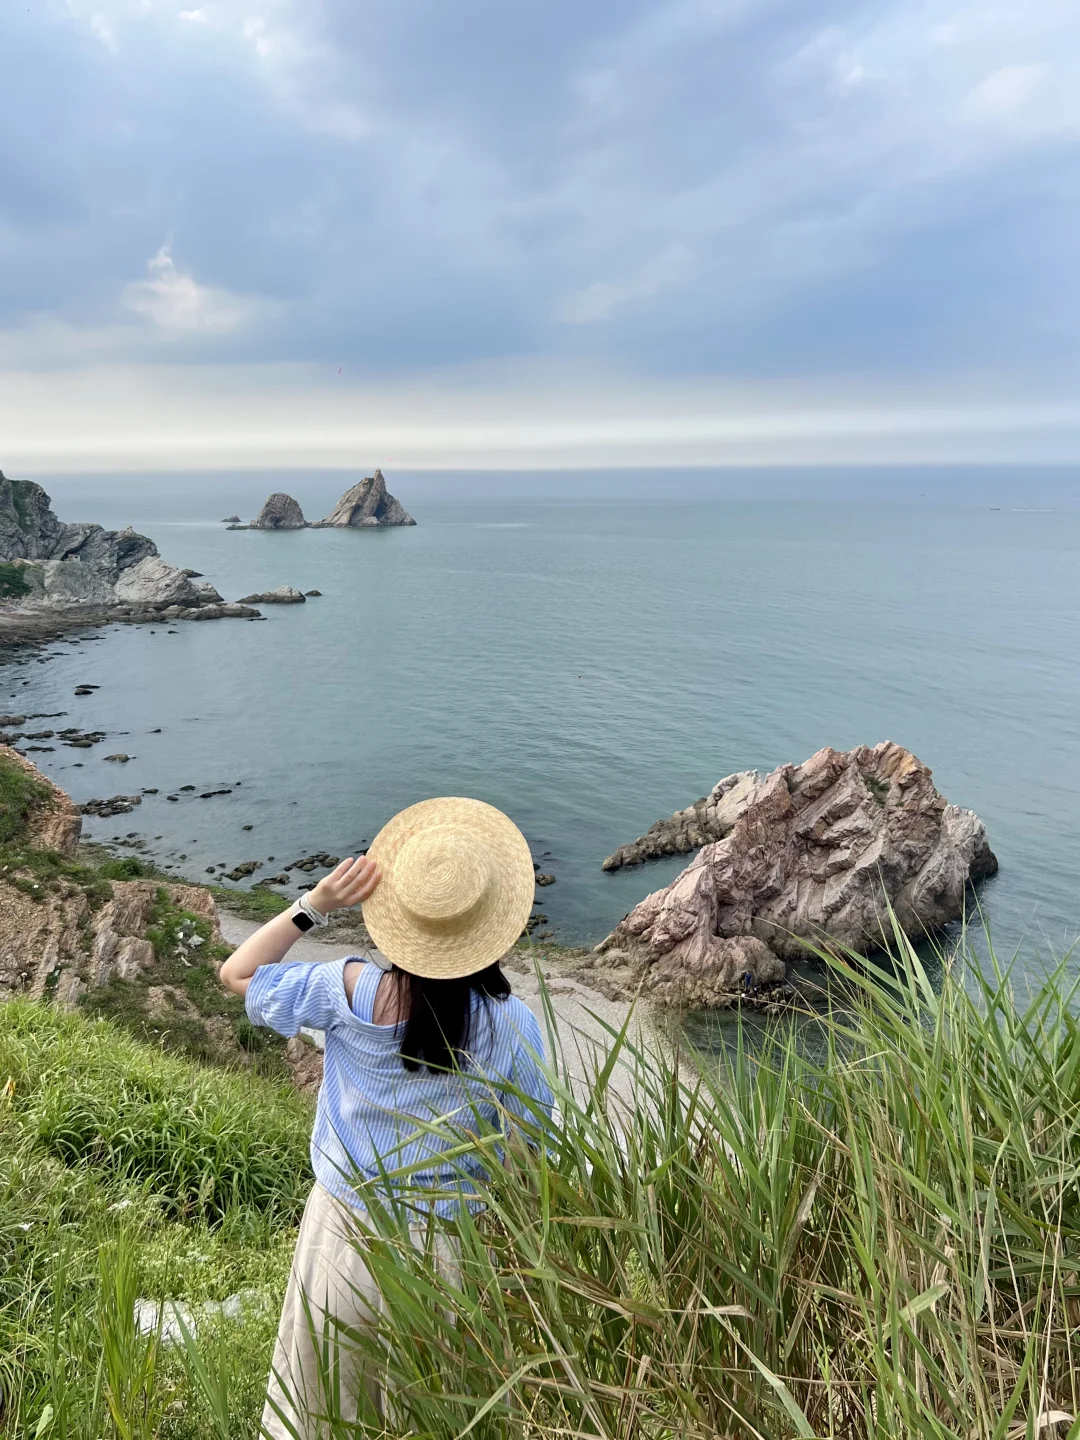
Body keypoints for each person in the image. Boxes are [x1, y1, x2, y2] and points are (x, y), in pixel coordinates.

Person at [220, 796, 554, 1438]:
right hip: (442, 1255)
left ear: (396, 920)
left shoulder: (343, 990)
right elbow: (532, 1151)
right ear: (491, 926)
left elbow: (238, 974)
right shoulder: (512, 1026)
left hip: (338, 1236)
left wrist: (313, 904)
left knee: (318, 1409)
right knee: (418, 1419)